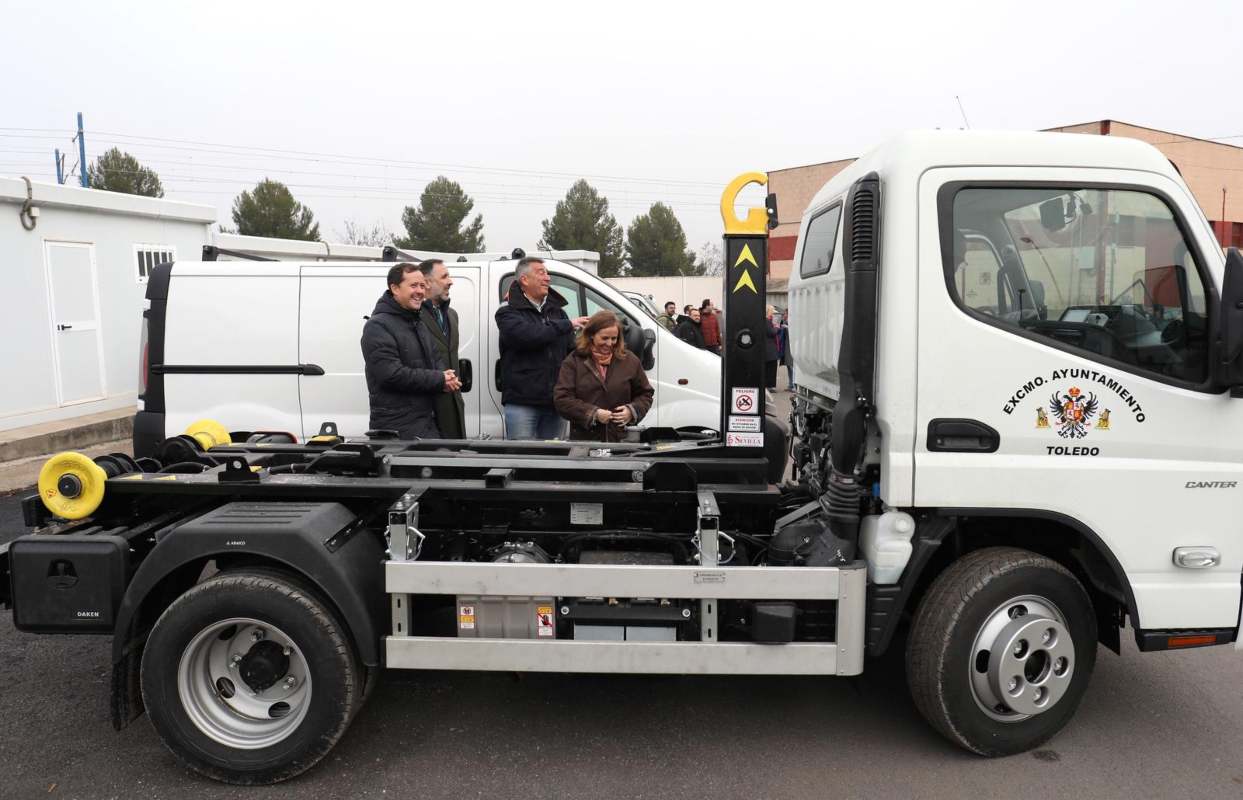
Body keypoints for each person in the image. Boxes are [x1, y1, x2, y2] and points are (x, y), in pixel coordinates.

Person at [361, 263, 460, 439]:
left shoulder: (417, 322)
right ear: (395, 288)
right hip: (397, 431)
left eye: (422, 286)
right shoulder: (377, 326)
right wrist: (439, 379)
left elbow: (434, 358)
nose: (420, 291)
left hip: (424, 424)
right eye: (413, 286)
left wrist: (447, 378)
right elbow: (391, 374)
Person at [495, 256, 590, 439]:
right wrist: (567, 325)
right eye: (541, 273)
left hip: (555, 403)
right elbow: (528, 335)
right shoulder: (507, 312)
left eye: (547, 274)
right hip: (522, 404)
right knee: (523, 461)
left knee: (553, 462)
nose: (548, 278)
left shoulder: (558, 312)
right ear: (524, 279)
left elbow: (571, 351)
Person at [553, 310, 654, 442]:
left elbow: (646, 394)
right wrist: (592, 413)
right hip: (585, 441)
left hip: (622, 440)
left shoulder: (630, 360)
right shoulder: (574, 361)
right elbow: (562, 400)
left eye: (614, 338)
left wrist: (632, 411)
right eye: (604, 338)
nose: (610, 343)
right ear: (591, 335)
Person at [418, 259, 465, 438]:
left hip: (453, 408)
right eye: (444, 276)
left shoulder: (452, 316)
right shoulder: (413, 317)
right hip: (428, 411)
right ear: (427, 283)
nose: (450, 281)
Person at [764, 305, 780, 389]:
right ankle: (770, 385)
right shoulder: (767, 321)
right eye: (772, 312)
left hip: (767, 349)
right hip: (770, 350)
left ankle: (768, 385)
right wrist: (777, 328)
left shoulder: (765, 320)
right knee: (771, 368)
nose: (773, 314)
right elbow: (772, 332)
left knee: (768, 368)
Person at [779, 310, 793, 390]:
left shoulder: (791, 322)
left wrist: (787, 327)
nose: (783, 315)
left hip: (790, 348)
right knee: (788, 367)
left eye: (784, 314)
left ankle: (793, 385)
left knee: (791, 367)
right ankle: (790, 384)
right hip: (785, 348)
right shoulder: (784, 322)